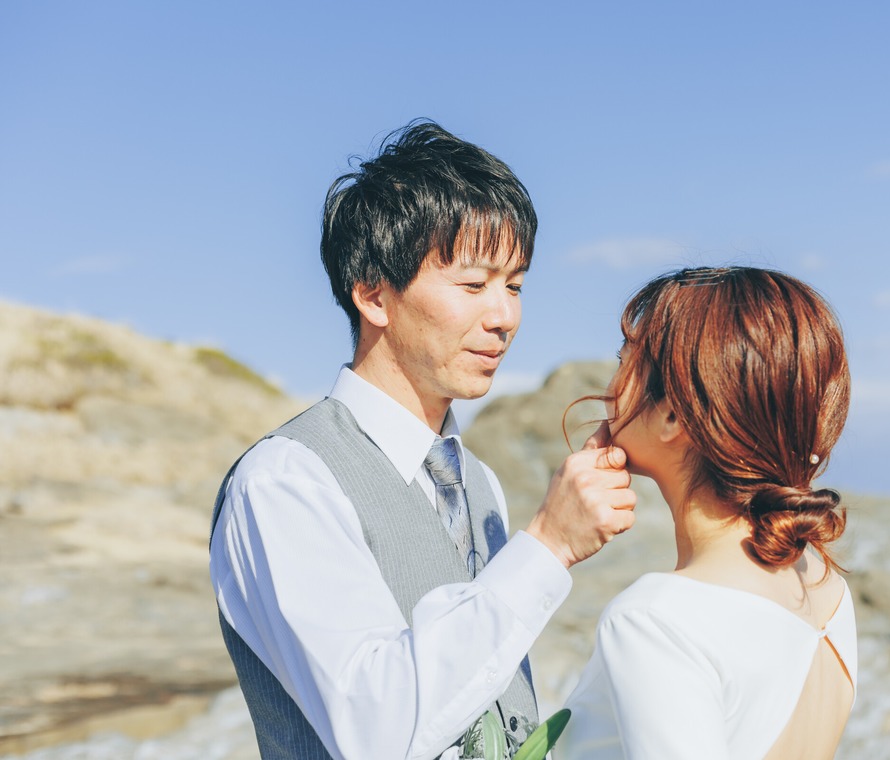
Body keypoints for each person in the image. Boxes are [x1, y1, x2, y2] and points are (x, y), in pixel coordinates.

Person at [208, 121, 636, 760]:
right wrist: (547, 545)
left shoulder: (480, 484)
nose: (505, 317)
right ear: (374, 294)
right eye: (473, 284)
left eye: (514, 285)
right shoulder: (287, 479)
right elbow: (376, 730)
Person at [559, 266, 856, 760]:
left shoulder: (656, 621)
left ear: (674, 412)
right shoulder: (822, 580)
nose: (609, 387)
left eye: (623, 359)